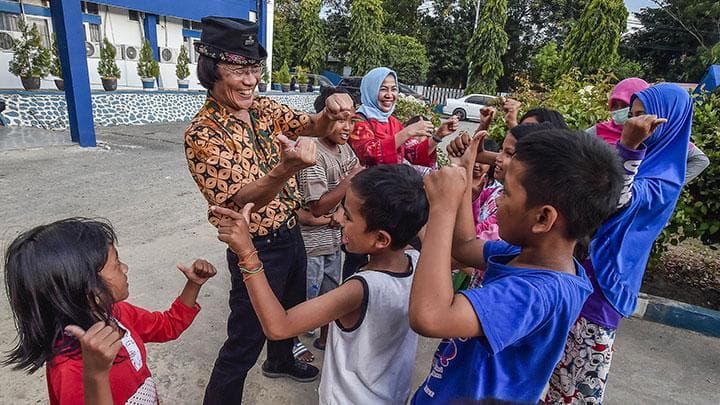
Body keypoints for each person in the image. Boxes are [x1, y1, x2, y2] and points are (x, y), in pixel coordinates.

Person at [183, 16, 354, 404]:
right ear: (211, 70)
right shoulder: (203, 133)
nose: (250, 81)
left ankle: (280, 360)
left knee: (292, 308)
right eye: (238, 70)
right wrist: (285, 169)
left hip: (291, 233)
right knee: (244, 338)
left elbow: (309, 124)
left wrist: (330, 112)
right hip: (253, 246)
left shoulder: (262, 107)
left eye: (254, 69)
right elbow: (243, 199)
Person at [409, 128, 625, 403]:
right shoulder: (531, 255)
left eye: (507, 193)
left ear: (543, 218)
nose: (497, 199)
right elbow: (464, 246)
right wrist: (463, 175)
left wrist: (442, 207)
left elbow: (430, 316)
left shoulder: (536, 293)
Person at [212, 163, 429, 405]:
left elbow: (279, 326)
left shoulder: (359, 289)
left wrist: (247, 252)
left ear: (380, 238)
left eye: (348, 216)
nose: (339, 220)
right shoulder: (419, 262)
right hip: (392, 395)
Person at [545, 84, 693, 403]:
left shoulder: (664, 178)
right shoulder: (635, 157)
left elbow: (614, 203)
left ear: (668, 121)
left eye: (644, 116)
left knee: (580, 386)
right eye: (633, 115)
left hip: (603, 288)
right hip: (577, 272)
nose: (633, 123)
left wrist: (628, 147)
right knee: (554, 376)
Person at [2, 218, 216, 404]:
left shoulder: (118, 315)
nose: (125, 268)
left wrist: (193, 285)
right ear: (88, 287)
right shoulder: (70, 369)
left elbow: (167, 326)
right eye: (116, 264)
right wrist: (96, 375)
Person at [297, 87, 363, 351]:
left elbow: (353, 190)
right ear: (322, 118)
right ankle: (291, 342)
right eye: (339, 120)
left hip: (334, 241)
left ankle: (325, 338)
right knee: (306, 296)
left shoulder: (343, 150)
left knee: (331, 293)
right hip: (312, 245)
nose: (347, 127)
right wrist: (349, 181)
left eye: (351, 120)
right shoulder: (314, 154)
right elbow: (317, 206)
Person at [586, 77, 709, 184]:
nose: (618, 110)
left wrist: (672, 183)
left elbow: (700, 160)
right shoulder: (600, 131)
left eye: (624, 105)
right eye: (614, 105)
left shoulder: (657, 137)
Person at [350, 67, 459, 168]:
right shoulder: (359, 121)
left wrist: (438, 135)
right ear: (370, 91)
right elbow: (368, 155)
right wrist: (406, 132)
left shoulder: (393, 122)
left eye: (393, 89)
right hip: (367, 187)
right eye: (383, 89)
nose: (389, 95)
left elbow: (413, 155)